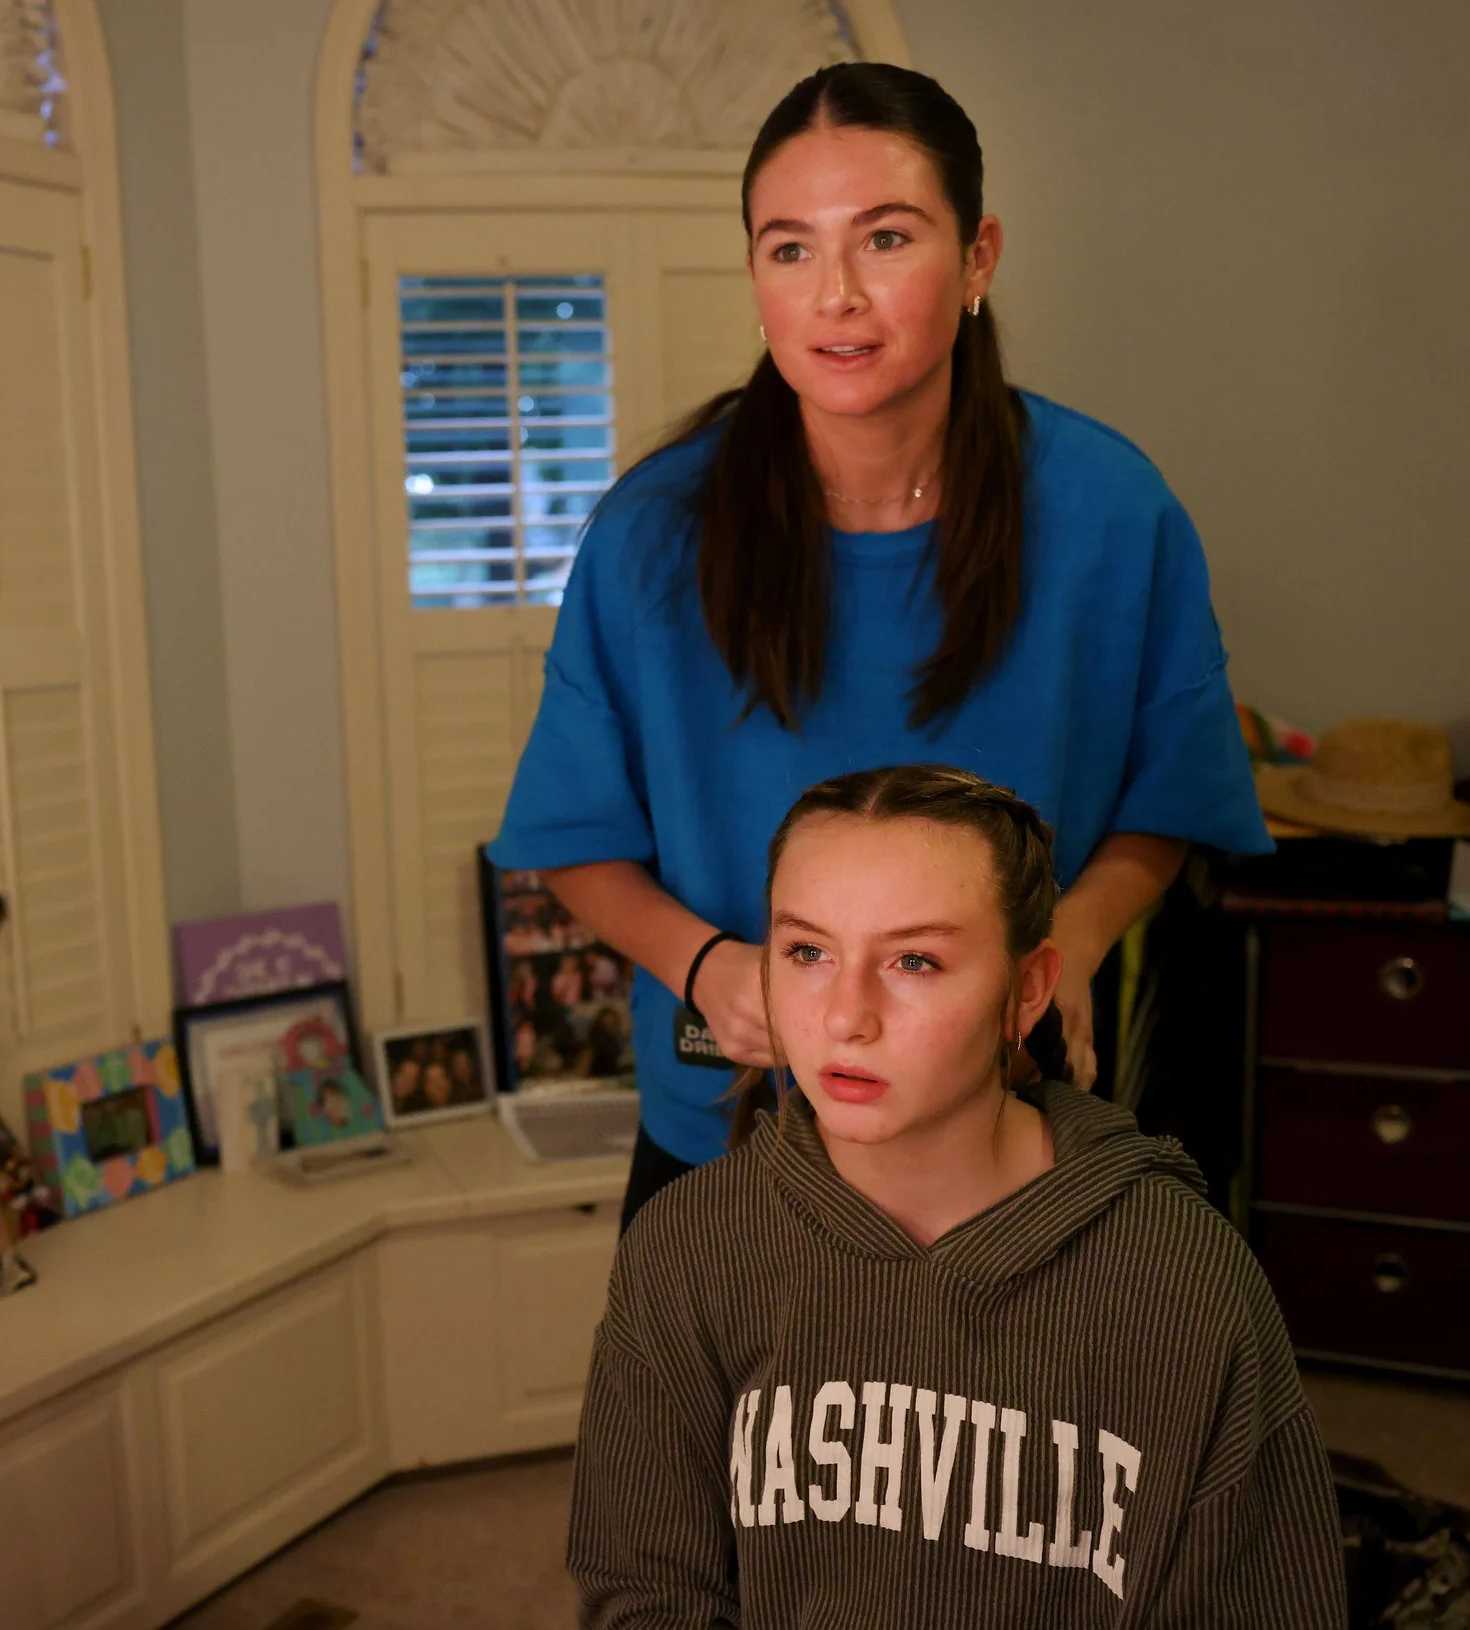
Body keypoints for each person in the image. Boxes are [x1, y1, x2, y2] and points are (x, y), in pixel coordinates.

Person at [488, 63, 1268, 1230]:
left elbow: (1176, 796)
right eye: (789, 248)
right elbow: (572, 838)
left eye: (886, 238)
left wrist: (1073, 931)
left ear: (979, 259)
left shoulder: (1112, 511)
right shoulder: (652, 534)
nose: (834, 294)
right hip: (730, 1144)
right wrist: (710, 967)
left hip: (1012, 1141)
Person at [567, 765, 1346, 1627]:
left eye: (914, 960)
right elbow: (645, 1593)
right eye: (808, 952)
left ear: (1029, 990)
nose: (845, 1016)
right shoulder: (688, 1250)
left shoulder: (1181, 1278)